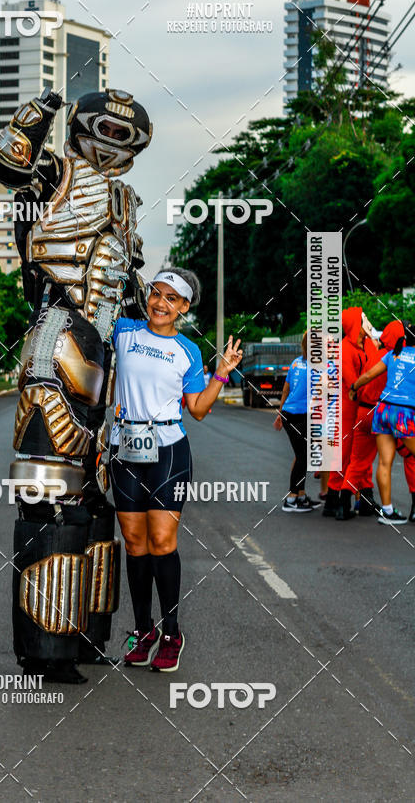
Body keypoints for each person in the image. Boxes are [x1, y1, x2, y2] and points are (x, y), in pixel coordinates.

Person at [0, 86, 151, 683]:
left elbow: (127, 283)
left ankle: (82, 633)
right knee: (51, 486)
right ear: (82, 128)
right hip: (59, 330)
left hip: (107, 343)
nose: (111, 142)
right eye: (103, 129)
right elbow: (7, 165)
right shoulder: (56, 172)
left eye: (123, 135)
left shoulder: (127, 202)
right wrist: (38, 112)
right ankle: (44, 645)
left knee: (98, 490)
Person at [109, 268, 242, 672]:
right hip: (125, 446)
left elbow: (198, 410)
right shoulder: (123, 331)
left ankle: (171, 632)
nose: (160, 304)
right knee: (134, 543)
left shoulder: (188, 351)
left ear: (184, 307)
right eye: (156, 294)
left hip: (169, 451)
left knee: (162, 541)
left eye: (171, 299)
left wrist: (223, 371)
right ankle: (143, 629)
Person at [344, 320, 415, 516]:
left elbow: (367, 376)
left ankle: (387, 511)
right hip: (405, 414)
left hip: (383, 411)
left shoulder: (392, 355)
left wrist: (353, 388)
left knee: (384, 462)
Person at [323, 308, 372, 520]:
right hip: (347, 407)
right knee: (343, 455)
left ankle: (360, 500)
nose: (366, 324)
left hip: (359, 406)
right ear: (354, 324)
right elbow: (353, 382)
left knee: (359, 456)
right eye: (363, 321)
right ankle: (336, 502)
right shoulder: (344, 348)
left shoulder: (365, 344)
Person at [273, 332, 313, 512]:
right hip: (300, 416)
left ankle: (301, 495)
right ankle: (291, 499)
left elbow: (285, 391)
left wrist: (280, 413)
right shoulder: (318, 366)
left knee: (301, 456)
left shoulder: (296, 362)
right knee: (303, 457)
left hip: (289, 414)